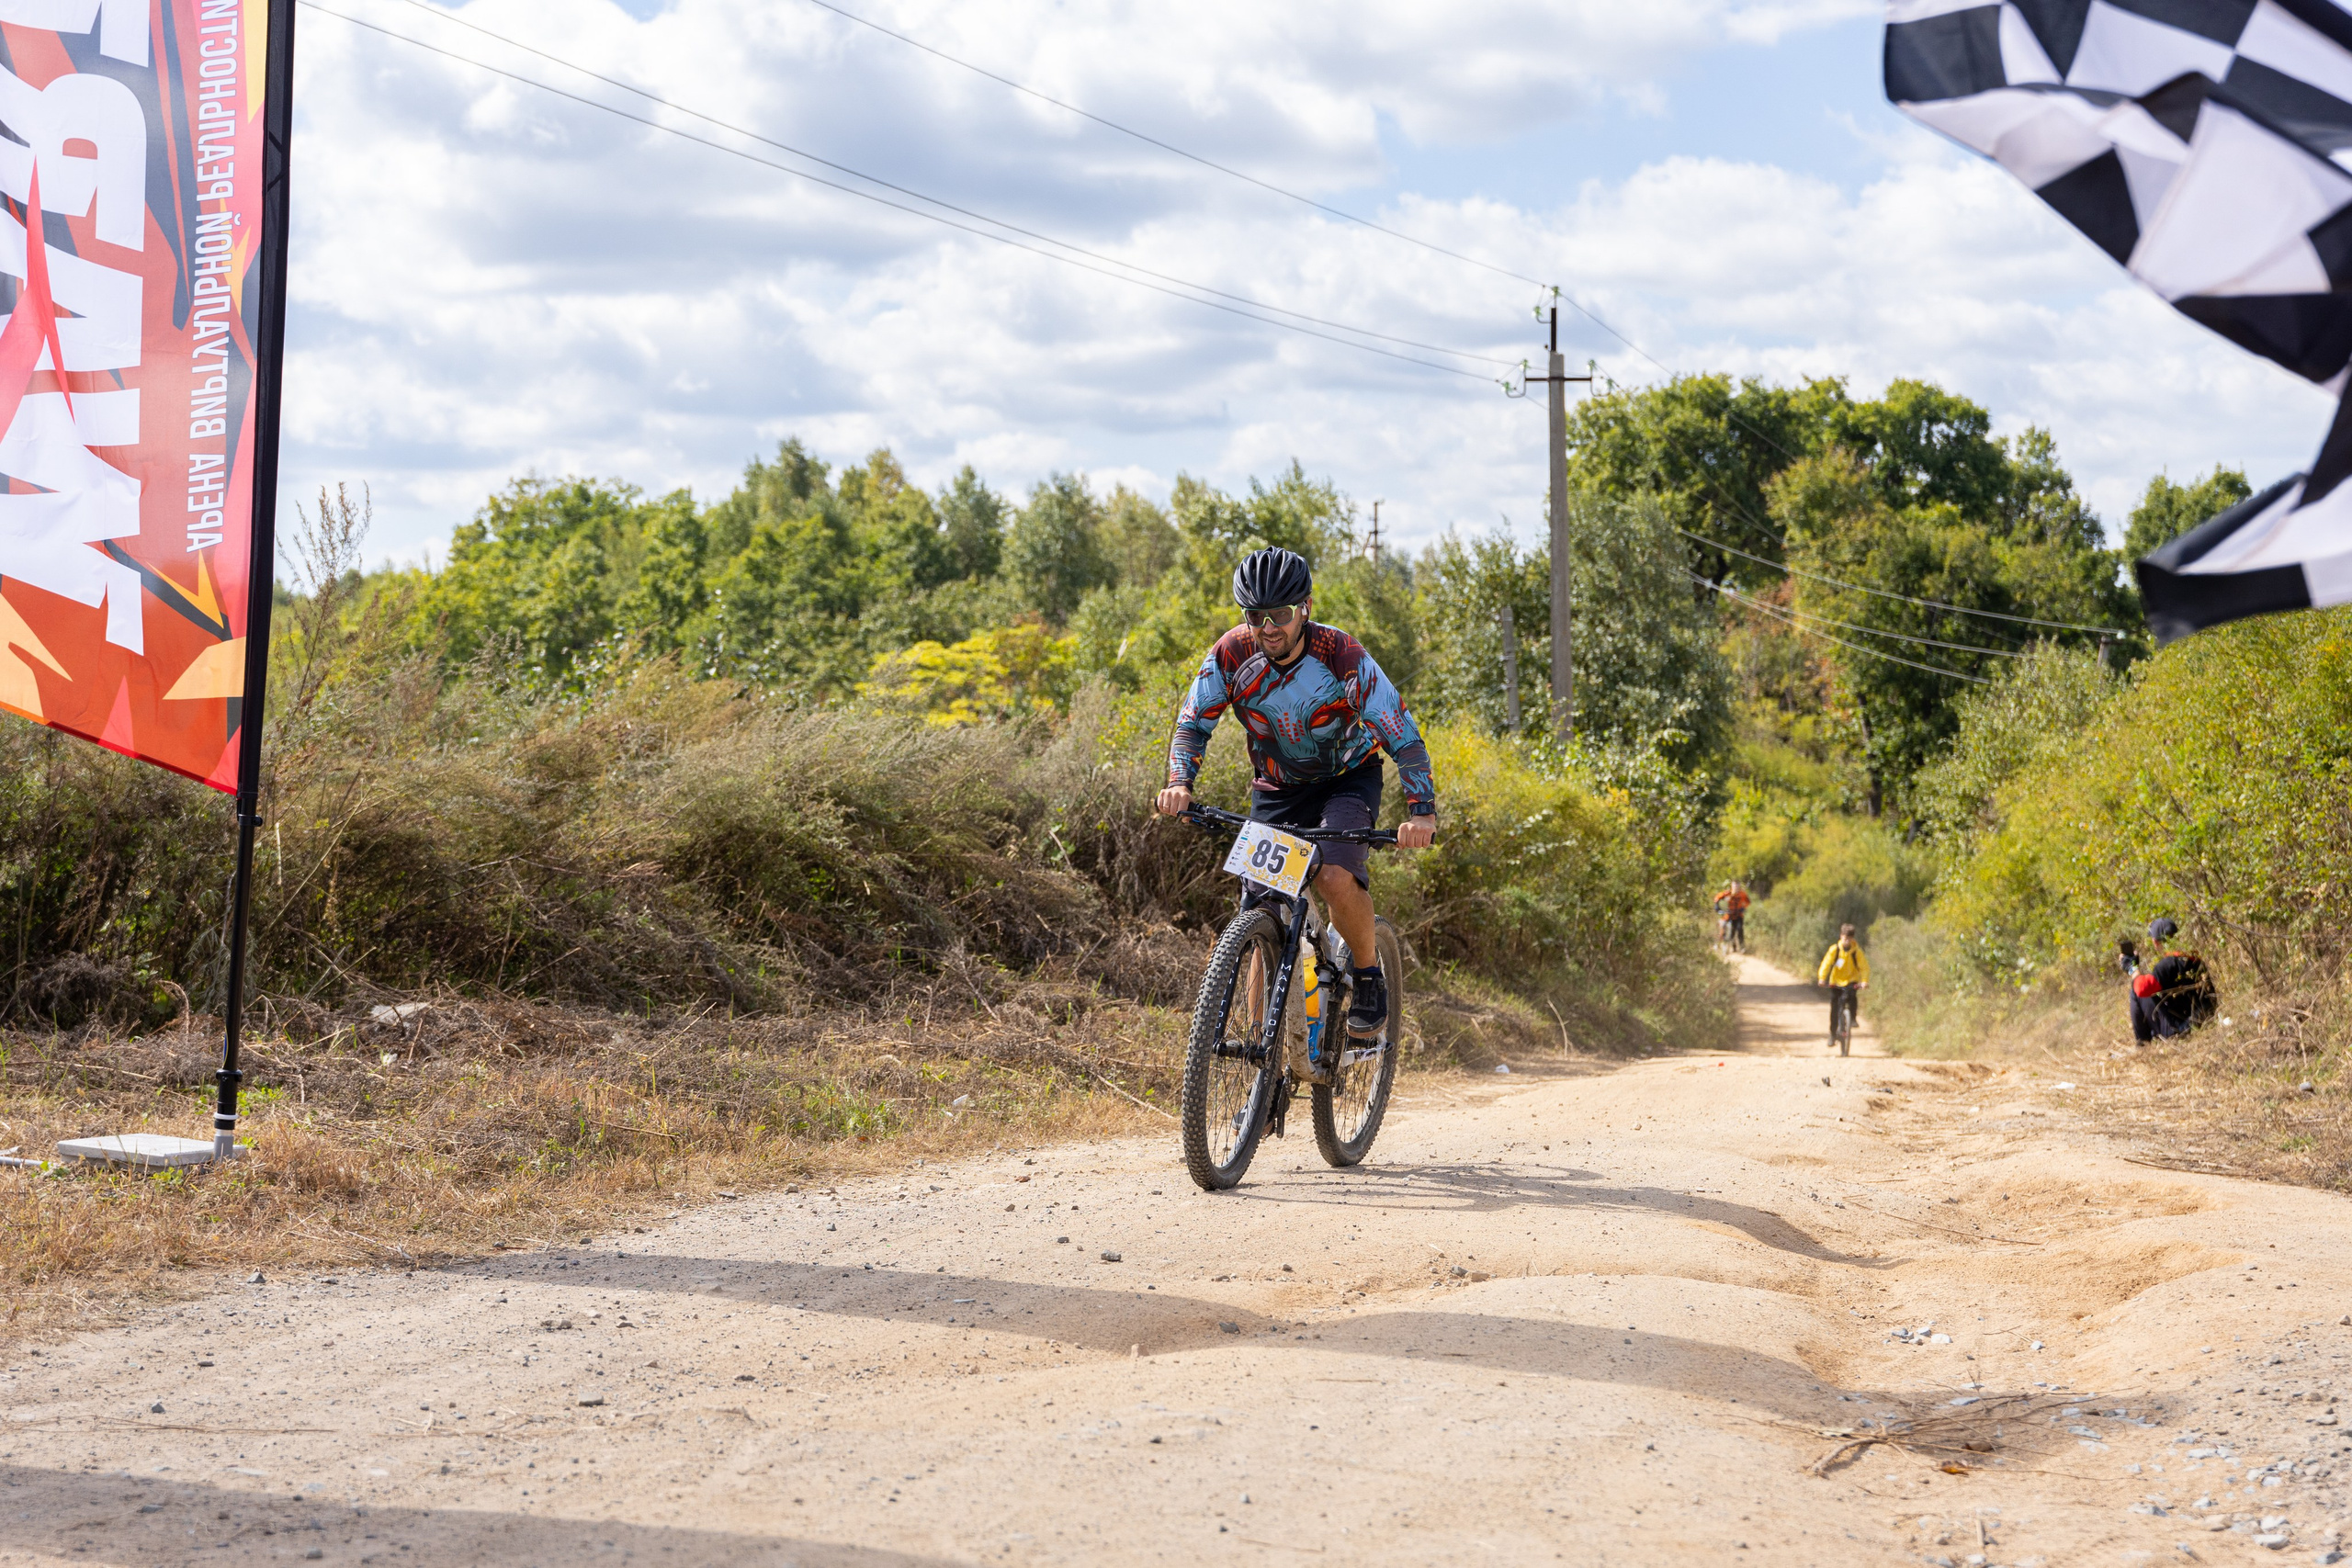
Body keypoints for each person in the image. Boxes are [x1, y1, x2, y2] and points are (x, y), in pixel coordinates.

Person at [1156, 547, 1438, 1048]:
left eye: (1280, 616)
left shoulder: (1341, 655)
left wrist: (1421, 811)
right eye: (1255, 616)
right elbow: (1191, 723)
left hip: (1346, 779)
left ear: (1305, 608)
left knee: (1332, 875)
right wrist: (1180, 784)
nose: (1268, 628)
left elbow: (1402, 734)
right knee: (1262, 906)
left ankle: (1369, 976)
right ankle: (1261, 1048)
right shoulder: (1231, 653)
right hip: (1277, 787)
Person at [2131, 917, 2217, 1042]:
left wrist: (2132, 969)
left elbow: (2141, 989)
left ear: (2155, 942)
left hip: (2178, 1030)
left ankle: (2142, 1043)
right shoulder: (2193, 958)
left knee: (2136, 987)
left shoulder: (2167, 964)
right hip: (2200, 1020)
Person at [1816, 922, 1869, 1049]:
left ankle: (1853, 1019)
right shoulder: (1835, 950)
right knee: (1834, 1009)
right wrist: (1822, 978)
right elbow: (1826, 963)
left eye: (1849, 939)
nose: (1846, 941)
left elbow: (1864, 967)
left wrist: (1864, 981)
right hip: (1836, 982)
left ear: (1852, 939)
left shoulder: (1856, 952)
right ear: (1841, 936)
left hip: (1851, 980)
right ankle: (1833, 1035)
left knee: (1852, 998)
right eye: (1845, 938)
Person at [1714, 881, 1750, 953]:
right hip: (1729, 915)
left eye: (1737, 886)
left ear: (1739, 886)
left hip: (1739, 915)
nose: (1735, 887)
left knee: (1740, 930)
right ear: (1731, 886)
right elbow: (1717, 897)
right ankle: (1729, 946)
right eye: (1734, 886)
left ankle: (1742, 947)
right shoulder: (1727, 893)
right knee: (1727, 930)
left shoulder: (1742, 894)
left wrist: (1743, 907)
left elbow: (1748, 902)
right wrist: (1717, 906)